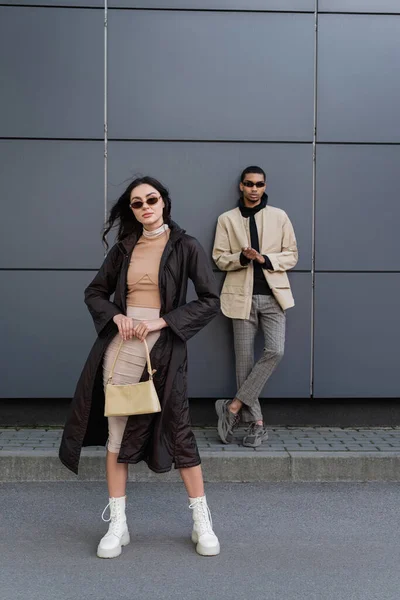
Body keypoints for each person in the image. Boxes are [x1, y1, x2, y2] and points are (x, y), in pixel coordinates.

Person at [59, 176, 221, 559]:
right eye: (137, 203)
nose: (146, 206)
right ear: (131, 210)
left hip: (164, 348)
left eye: (152, 199)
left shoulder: (186, 246)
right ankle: (118, 524)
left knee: (179, 430)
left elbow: (210, 301)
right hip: (120, 349)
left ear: (164, 202)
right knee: (116, 437)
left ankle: (202, 522)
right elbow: (95, 293)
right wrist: (117, 318)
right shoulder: (123, 249)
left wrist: (159, 322)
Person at [212, 166, 298, 447]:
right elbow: (219, 258)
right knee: (244, 362)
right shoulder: (227, 219)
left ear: (264, 186)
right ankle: (256, 424)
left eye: (259, 184)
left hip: (274, 297)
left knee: (276, 350)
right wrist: (242, 257)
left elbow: (292, 255)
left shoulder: (279, 216)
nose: (254, 189)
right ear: (241, 186)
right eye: (249, 184)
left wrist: (264, 259)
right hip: (240, 297)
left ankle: (233, 406)